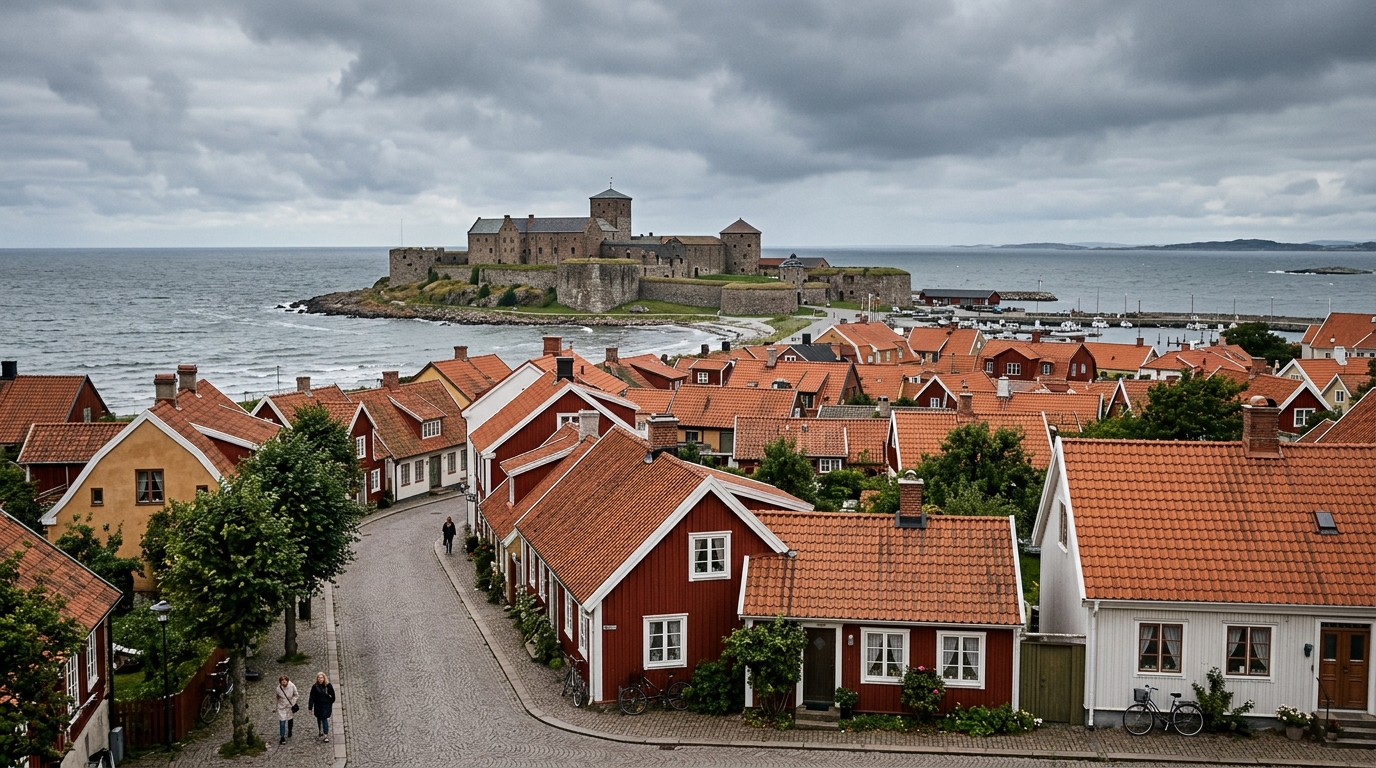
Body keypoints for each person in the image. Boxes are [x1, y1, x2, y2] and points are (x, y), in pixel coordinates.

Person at [307, 671, 336, 743]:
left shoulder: (328, 686)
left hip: (326, 705)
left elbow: (333, 695)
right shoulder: (315, 687)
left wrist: (330, 702)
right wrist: (310, 707)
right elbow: (312, 697)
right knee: (319, 718)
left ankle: (326, 735)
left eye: (321, 678)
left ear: (324, 678)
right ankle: (320, 730)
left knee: (324, 719)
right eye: (319, 678)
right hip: (318, 705)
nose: (320, 679)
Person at [275, 675, 299, 744]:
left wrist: (292, 702)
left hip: (290, 706)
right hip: (282, 707)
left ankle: (290, 730)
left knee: (290, 719)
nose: (284, 682)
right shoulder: (278, 689)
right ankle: (282, 737)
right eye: (282, 681)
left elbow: (296, 695)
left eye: (285, 681)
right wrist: (275, 708)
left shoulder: (292, 686)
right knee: (282, 721)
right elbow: (276, 698)